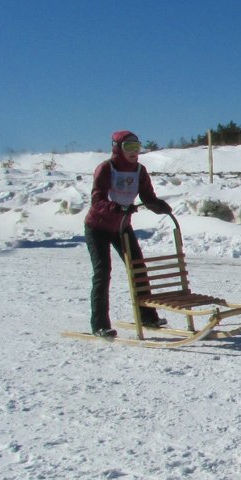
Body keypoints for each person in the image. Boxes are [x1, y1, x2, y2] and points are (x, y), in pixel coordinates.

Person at [83, 130, 174, 337]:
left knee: (138, 269)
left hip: (121, 227)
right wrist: (115, 208)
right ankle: (99, 325)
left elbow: (148, 197)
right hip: (97, 227)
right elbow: (97, 200)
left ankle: (147, 316)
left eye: (137, 147)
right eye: (128, 147)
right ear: (117, 148)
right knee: (102, 272)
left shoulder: (140, 171)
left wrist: (160, 207)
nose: (134, 152)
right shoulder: (106, 168)